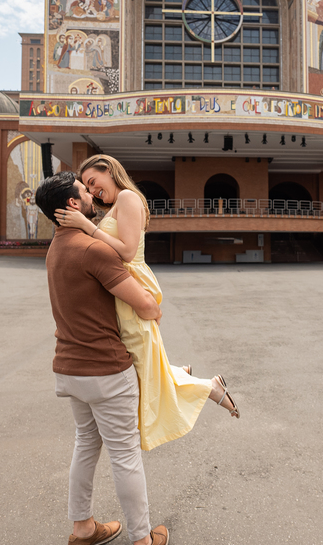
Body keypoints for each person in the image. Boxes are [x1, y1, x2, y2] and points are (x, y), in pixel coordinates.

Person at [55, 154, 240, 451]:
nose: (92, 191)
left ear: (109, 170)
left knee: (140, 368)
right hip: (120, 288)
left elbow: (127, 253)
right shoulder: (116, 205)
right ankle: (185, 376)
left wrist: (86, 226)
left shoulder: (128, 197)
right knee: (140, 365)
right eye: (87, 188)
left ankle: (206, 386)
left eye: (93, 182)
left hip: (130, 286)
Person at [36, 171, 170, 545]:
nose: (92, 193)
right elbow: (146, 306)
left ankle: (82, 530)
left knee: (85, 445)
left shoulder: (55, 249)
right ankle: (143, 541)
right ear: (73, 205)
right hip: (106, 370)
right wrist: (152, 306)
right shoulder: (93, 250)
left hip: (69, 370)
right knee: (125, 455)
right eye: (84, 190)